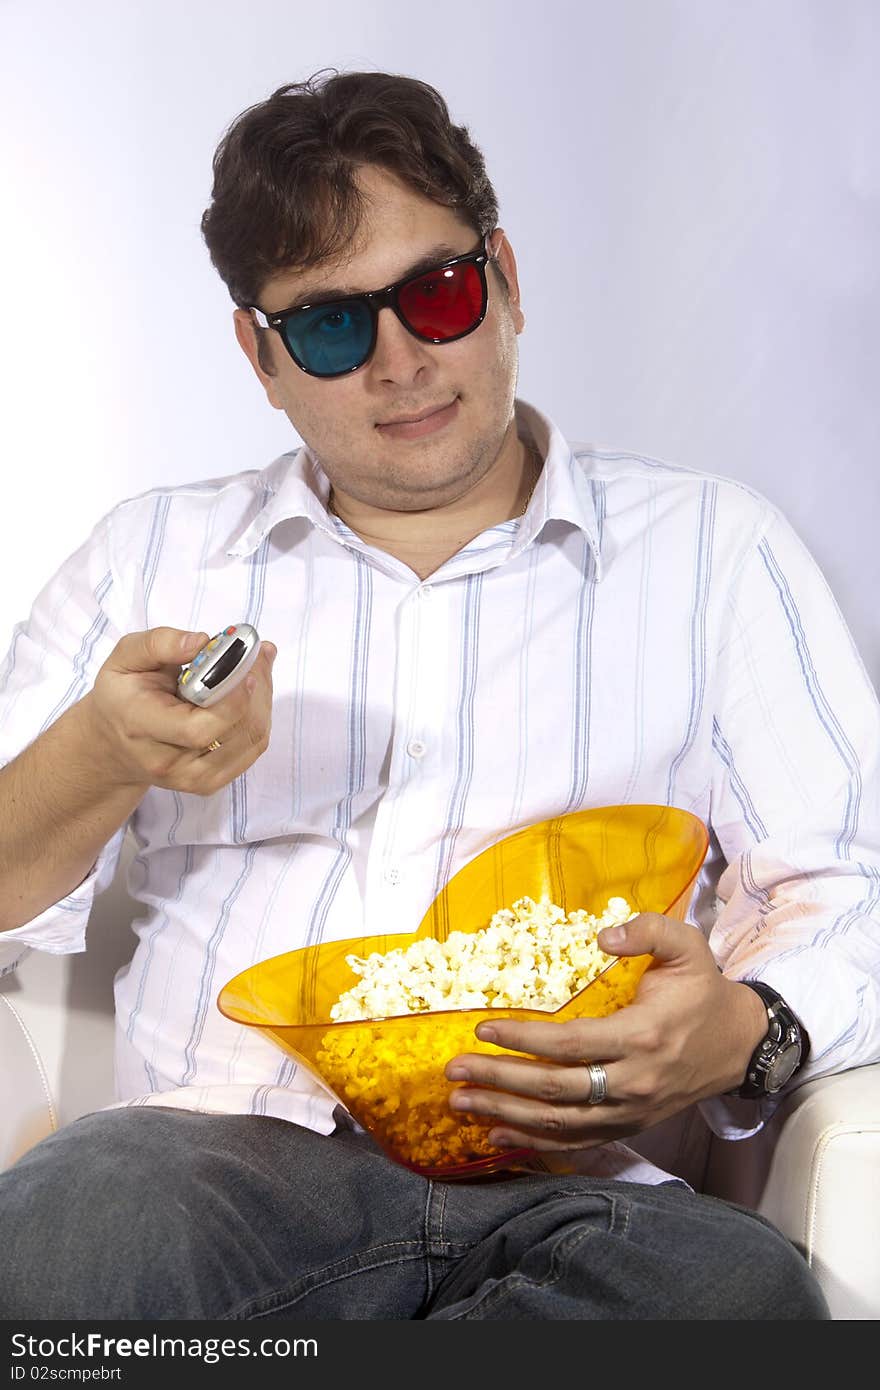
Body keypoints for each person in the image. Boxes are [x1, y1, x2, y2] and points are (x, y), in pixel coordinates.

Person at [0, 67, 876, 1322]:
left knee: (730, 1298)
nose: (402, 360)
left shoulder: (711, 549)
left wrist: (748, 1028)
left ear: (507, 278)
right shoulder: (150, 556)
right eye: (333, 326)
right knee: (52, 1254)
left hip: (578, 1185)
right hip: (203, 1161)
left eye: (440, 293)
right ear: (259, 353)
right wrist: (99, 748)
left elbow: (853, 882)